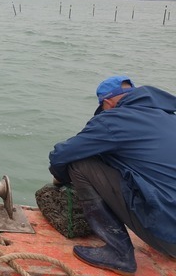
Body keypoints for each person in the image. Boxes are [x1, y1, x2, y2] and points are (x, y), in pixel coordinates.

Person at [48, 75, 176, 275]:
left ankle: (119, 253)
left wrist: (60, 177)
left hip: (171, 240)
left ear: (107, 103)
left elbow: (61, 156)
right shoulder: (170, 117)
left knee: (80, 164)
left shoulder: (115, 119)